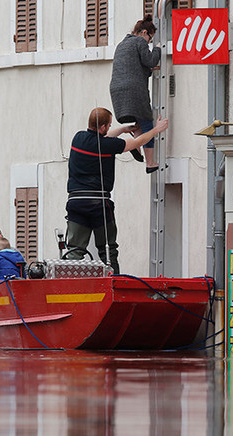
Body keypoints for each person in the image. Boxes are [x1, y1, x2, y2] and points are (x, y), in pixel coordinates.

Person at [65, 107, 168, 274]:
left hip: (75, 202)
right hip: (99, 204)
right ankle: (114, 281)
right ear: (104, 127)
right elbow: (136, 143)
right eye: (109, 125)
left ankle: (67, 283)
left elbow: (103, 140)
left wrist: (123, 129)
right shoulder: (107, 145)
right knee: (108, 250)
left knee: (74, 251)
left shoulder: (78, 138)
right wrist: (156, 129)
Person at [109, 14, 162, 173]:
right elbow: (150, 60)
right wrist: (158, 48)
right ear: (144, 32)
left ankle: (136, 147)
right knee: (146, 123)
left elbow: (136, 67)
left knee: (139, 122)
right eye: (150, 39)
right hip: (134, 89)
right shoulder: (139, 41)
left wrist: (149, 70)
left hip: (117, 90)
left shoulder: (121, 44)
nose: (149, 43)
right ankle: (150, 163)